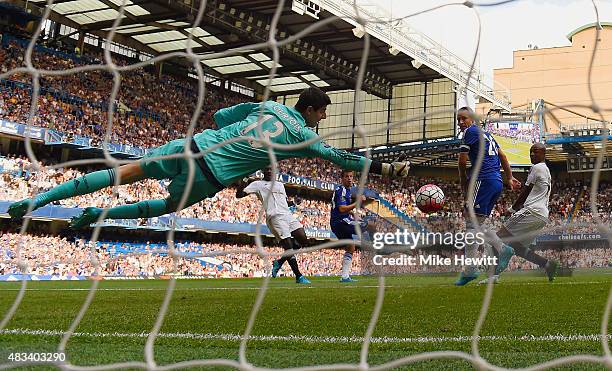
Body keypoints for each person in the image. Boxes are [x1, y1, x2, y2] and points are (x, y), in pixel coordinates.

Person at [8, 87, 411, 229]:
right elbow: (342, 160)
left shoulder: (266, 105)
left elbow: (220, 116)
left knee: (119, 174)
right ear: (311, 111)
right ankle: (100, 216)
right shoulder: (305, 135)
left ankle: (38, 201)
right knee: (164, 206)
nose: (323, 118)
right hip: (210, 176)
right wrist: (385, 167)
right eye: (323, 112)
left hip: (196, 146)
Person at [455, 107, 521, 286]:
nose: (461, 123)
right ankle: (502, 249)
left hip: (482, 180)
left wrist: (464, 184)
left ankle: (470, 269)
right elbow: (503, 156)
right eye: (458, 119)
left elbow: (462, 162)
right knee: (479, 223)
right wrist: (509, 177)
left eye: (464, 119)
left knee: (471, 222)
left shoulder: (470, 132)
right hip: (496, 182)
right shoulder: (488, 135)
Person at [480, 143, 558, 284]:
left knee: (499, 238)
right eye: (530, 152)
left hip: (531, 211)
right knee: (518, 248)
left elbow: (525, 193)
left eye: (536, 152)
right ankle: (547, 264)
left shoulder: (536, 168)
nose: (532, 155)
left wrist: (512, 209)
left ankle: (493, 276)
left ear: (543, 154)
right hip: (542, 215)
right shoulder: (546, 170)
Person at [236, 167, 311, 284]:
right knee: (289, 248)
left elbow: (285, 203)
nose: (270, 171)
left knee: (303, 239)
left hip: (288, 215)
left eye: (272, 170)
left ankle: (279, 262)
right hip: (275, 217)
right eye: (267, 170)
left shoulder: (280, 185)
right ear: (263, 172)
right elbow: (239, 195)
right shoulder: (257, 184)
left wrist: (295, 202)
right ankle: (299, 276)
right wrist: (246, 178)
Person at [330, 169, 376, 283]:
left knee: (351, 247)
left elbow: (341, 208)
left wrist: (353, 214)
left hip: (340, 222)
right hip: (341, 222)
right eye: (347, 176)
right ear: (342, 178)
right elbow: (341, 209)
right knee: (371, 224)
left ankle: (345, 277)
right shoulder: (341, 190)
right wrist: (358, 202)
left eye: (351, 176)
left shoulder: (347, 191)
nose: (349, 178)